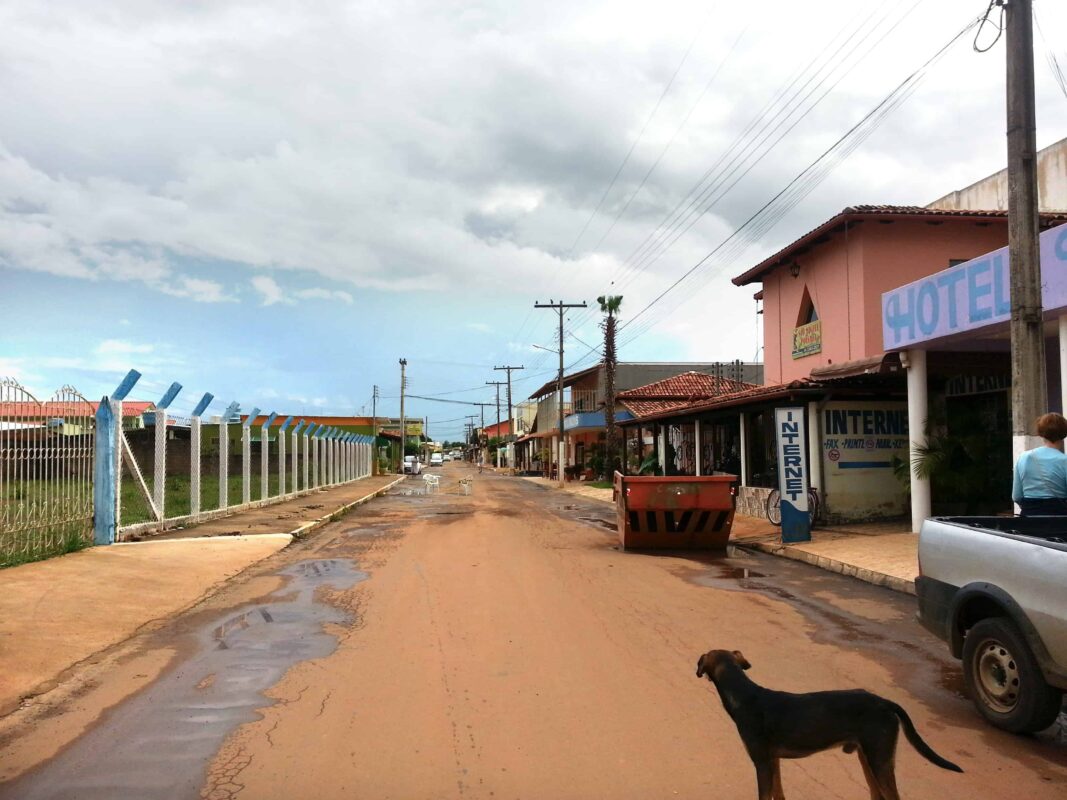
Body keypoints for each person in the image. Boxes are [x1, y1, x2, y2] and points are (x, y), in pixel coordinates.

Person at [1012, 412, 1067, 516]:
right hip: (1059, 521)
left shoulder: (1024, 457)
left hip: (1029, 520)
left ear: (1041, 433)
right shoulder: (1065, 461)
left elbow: (1016, 496)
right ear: (1064, 433)